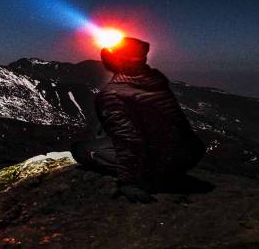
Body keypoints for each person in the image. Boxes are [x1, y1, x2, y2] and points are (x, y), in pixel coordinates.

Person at [71, 37, 205, 203]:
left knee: (80, 150)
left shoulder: (113, 93)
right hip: (189, 154)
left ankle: (152, 175)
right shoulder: (155, 80)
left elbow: (128, 139)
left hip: (161, 162)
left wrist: (130, 182)